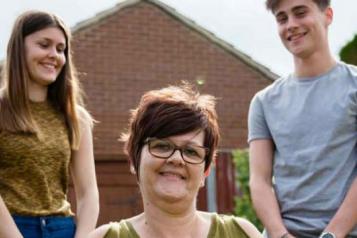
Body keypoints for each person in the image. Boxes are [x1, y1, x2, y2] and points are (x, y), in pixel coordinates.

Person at [89, 84, 261, 238]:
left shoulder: (242, 234)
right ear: (134, 160)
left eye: (191, 151)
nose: (177, 159)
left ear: (206, 170)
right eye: (162, 146)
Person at [248, 0, 357, 237]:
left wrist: (332, 235)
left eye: (300, 13)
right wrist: (281, 235)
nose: (291, 25)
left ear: (327, 15)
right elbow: (260, 181)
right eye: (282, 18)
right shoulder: (264, 102)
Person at [0, 10, 99, 238]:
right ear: (19, 48)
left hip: (62, 229)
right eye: (44, 45)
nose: (54, 55)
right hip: (10, 228)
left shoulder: (76, 117)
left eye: (60, 49)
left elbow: (88, 193)